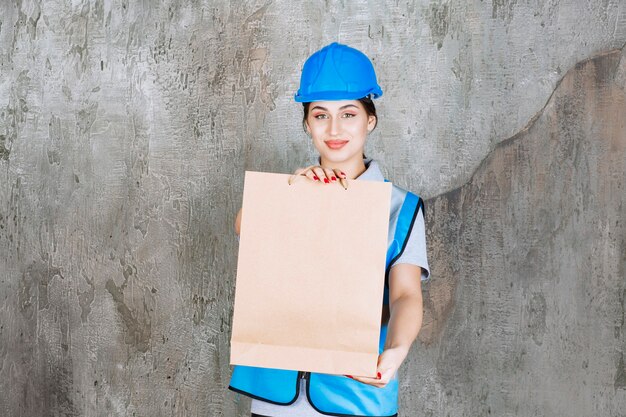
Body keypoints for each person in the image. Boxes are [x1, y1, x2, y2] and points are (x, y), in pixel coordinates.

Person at [229, 42, 430, 417]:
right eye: (321, 115)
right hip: (275, 399)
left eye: (349, 114)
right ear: (307, 123)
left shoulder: (401, 207)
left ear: (370, 119)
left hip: (357, 397)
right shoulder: (294, 190)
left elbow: (405, 295)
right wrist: (293, 194)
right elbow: (243, 228)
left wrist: (396, 351)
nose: (334, 129)